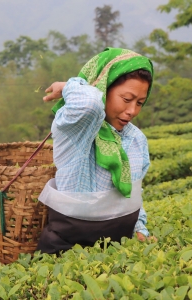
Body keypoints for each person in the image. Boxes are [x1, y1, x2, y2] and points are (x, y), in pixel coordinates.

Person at [36, 47, 155, 255]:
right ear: (104, 87)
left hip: (115, 254)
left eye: (140, 103)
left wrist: (139, 228)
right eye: (126, 99)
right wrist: (67, 87)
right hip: (64, 256)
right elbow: (89, 104)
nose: (132, 111)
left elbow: (132, 196)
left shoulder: (136, 140)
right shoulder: (77, 129)